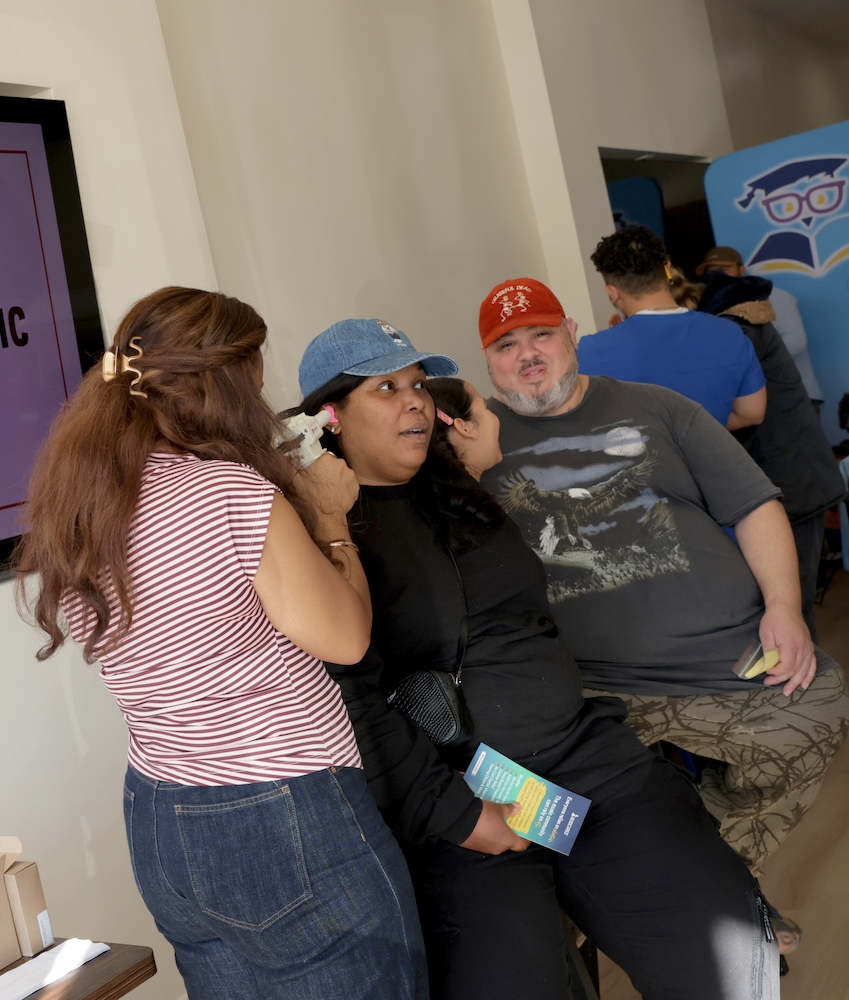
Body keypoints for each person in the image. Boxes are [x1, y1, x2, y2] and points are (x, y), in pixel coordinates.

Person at [293, 319, 776, 1000]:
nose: (415, 402)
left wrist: (473, 457)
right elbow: (348, 699)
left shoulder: (459, 489)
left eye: (419, 385)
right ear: (331, 416)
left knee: (730, 951)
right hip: (461, 795)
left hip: (581, 759)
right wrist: (453, 816)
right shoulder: (325, 534)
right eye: (386, 389)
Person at [13, 287, 426, 999]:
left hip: (161, 816)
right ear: (224, 384)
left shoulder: (84, 503)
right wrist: (331, 520)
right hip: (283, 812)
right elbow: (345, 637)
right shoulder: (227, 492)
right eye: (254, 383)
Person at [474, 275, 849, 874]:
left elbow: (754, 505)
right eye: (506, 345)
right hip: (580, 685)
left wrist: (784, 606)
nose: (528, 356)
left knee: (819, 706)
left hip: (720, 658)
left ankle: (707, 875)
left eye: (541, 335)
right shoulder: (475, 447)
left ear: (572, 334)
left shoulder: (659, 407)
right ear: (488, 361)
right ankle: (670, 886)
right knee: (528, 809)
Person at [697, 270, 845, 638]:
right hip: (800, 481)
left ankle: (804, 670)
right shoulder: (753, 328)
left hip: (793, 485)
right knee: (794, 603)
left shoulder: (740, 335)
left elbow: (743, 412)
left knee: (791, 606)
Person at [578, 226, 766, 430]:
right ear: (668, 268)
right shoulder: (729, 333)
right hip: (711, 449)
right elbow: (753, 413)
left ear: (612, 292)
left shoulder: (590, 351)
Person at [699, 245, 825, 412]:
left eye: (724, 269)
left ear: (742, 269)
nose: (718, 275)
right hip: (757, 402)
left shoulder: (773, 295)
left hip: (795, 395)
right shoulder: (709, 306)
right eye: (711, 272)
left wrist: (749, 362)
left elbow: (796, 341)